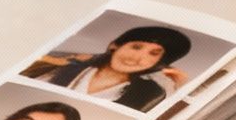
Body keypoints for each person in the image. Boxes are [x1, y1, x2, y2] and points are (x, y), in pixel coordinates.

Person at [21, 24, 195, 112]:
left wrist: (179, 89)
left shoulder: (150, 93)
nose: (137, 58)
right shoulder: (57, 65)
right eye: (136, 47)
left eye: (153, 54)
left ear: (159, 63)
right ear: (114, 46)